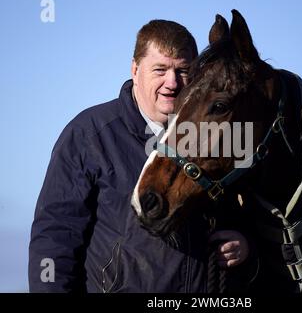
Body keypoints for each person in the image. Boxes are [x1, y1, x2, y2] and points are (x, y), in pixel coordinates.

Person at [29, 19, 254, 293]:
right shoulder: (89, 134)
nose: (172, 83)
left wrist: (245, 244)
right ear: (135, 70)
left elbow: (250, 213)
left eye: (183, 71)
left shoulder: (220, 135)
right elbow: (55, 236)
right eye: (160, 70)